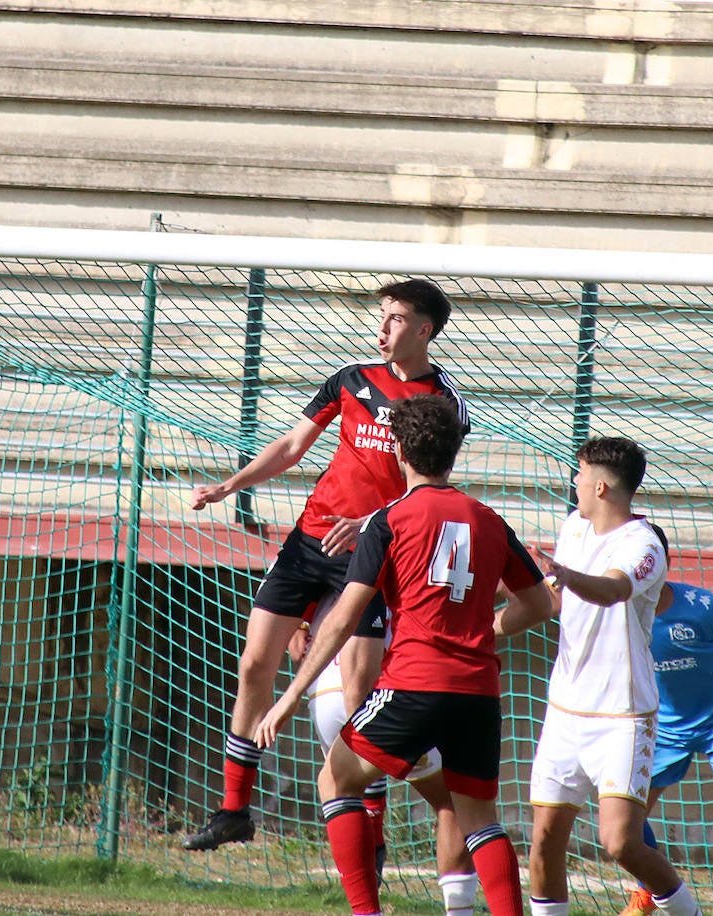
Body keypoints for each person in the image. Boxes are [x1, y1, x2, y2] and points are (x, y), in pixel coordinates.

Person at [184, 279, 469, 851]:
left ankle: (372, 830)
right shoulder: (351, 379)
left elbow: (432, 486)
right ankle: (233, 810)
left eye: (396, 318)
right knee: (253, 666)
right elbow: (292, 446)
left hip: (373, 553)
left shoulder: (444, 402)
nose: (383, 328)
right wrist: (231, 484)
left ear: (424, 330)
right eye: (381, 316)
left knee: (359, 698)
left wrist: (369, 524)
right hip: (309, 542)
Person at [255, 392, 552, 916]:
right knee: (480, 818)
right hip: (478, 692)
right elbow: (537, 605)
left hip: (413, 685)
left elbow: (344, 618)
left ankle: (367, 913)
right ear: (454, 453)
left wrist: (287, 697)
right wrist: (487, 625)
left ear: (397, 450)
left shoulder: (387, 521)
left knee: (336, 779)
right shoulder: (487, 519)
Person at [511, 437, 701, 916]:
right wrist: (489, 627)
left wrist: (570, 577)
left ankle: (687, 911)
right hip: (564, 712)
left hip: (622, 716)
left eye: (579, 474)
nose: (573, 482)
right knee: (544, 842)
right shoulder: (575, 525)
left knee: (620, 842)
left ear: (599, 485)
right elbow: (555, 599)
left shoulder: (644, 544)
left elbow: (614, 589)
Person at [292, 596, 480, 915]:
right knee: (454, 804)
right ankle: (459, 909)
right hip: (382, 692)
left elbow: (293, 644)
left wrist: (303, 623)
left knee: (342, 792)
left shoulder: (302, 553)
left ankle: (367, 903)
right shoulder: (382, 552)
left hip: (322, 693)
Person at [618, 526, 713, 916]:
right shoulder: (622, 618)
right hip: (664, 728)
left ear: (660, 566)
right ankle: (649, 890)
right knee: (625, 819)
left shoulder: (702, 606)